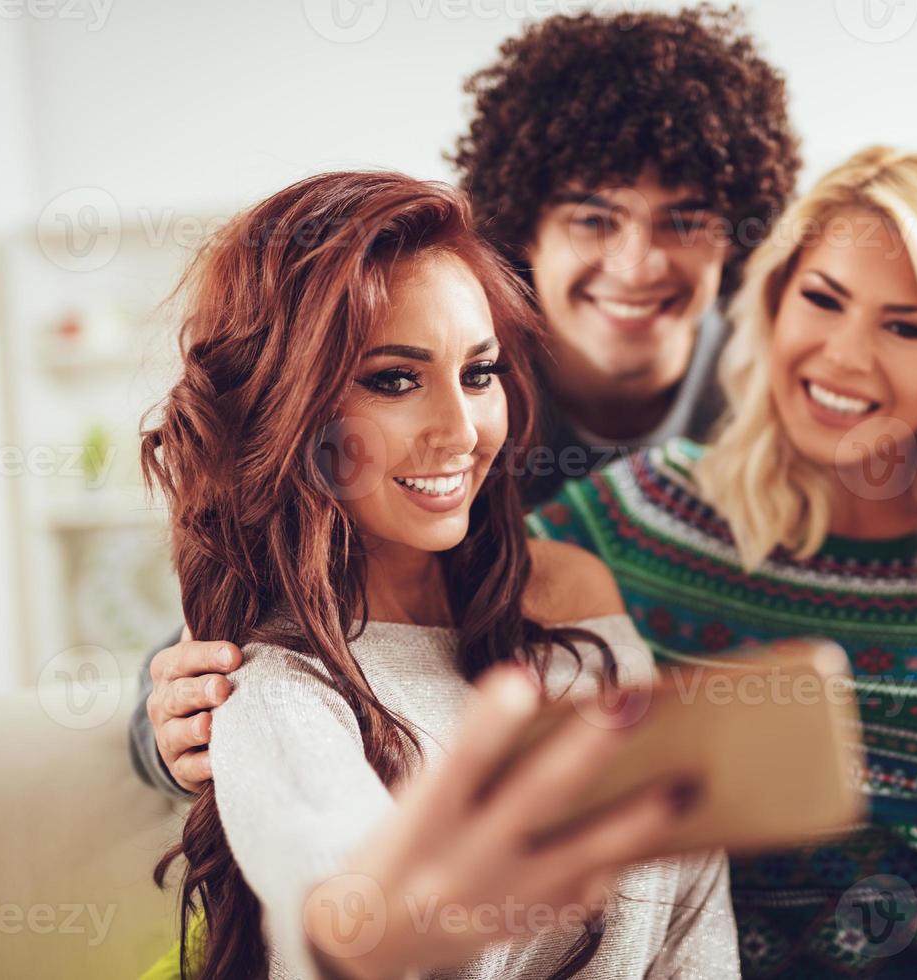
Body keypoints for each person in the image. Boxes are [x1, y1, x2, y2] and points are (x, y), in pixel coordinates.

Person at [131, 5, 917, 801]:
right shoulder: (448, 402)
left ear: (741, 236)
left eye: (685, 220)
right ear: (525, 225)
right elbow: (288, 590)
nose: (637, 263)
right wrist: (165, 714)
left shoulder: (798, 401)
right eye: (593, 218)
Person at [527, 147, 917, 978]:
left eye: (907, 326)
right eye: (823, 300)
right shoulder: (633, 516)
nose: (845, 357)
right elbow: (423, 602)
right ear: (776, 303)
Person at [141, 170, 738, 979]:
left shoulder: (571, 593)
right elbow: (347, 917)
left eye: (479, 373)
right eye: (394, 379)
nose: (460, 431)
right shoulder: (272, 686)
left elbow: (691, 903)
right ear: (286, 407)